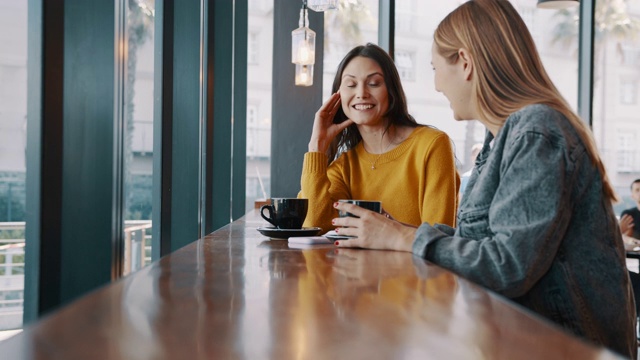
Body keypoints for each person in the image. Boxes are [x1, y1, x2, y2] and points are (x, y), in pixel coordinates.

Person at [330, 0, 637, 357]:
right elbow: (480, 242)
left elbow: (507, 266)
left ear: (465, 62)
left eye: (435, 68)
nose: (436, 85)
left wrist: (402, 237)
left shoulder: (537, 132)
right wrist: (395, 231)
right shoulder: (503, 138)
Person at [299, 43, 459, 233]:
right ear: (338, 97)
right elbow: (313, 224)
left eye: (374, 83)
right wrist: (317, 147)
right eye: (351, 85)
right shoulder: (345, 166)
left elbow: (438, 239)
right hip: (355, 264)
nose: (361, 94)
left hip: (413, 264)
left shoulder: (432, 145)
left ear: (391, 90)